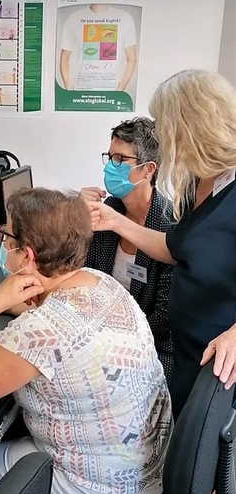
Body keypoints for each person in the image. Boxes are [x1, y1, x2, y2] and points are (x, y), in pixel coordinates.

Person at [87, 69, 236, 494]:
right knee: (194, 452)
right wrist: (116, 222)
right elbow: (174, 249)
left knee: (194, 454)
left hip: (215, 348)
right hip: (190, 341)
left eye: (170, 127)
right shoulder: (204, 180)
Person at [0, 187, 172, 494]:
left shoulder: (41, 331)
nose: (2, 245)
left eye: (6, 236)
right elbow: (67, 330)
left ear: (26, 256)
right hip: (153, 460)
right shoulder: (100, 282)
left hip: (107, 487)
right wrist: (18, 308)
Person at [82, 117, 174, 385]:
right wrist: (76, 214)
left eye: (121, 160)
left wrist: (113, 343)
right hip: (98, 339)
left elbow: (163, 318)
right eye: (110, 157)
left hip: (150, 349)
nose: (112, 167)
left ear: (148, 170)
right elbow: (79, 275)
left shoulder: (169, 224)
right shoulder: (110, 207)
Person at [60, 4, 137, 92]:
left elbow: (132, 58)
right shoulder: (74, 18)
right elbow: (64, 58)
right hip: (81, 92)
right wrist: (68, 87)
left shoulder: (125, 18)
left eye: (109, 34)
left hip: (112, 92)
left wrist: (121, 88)